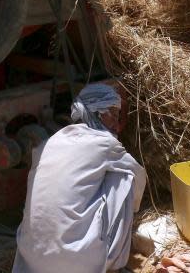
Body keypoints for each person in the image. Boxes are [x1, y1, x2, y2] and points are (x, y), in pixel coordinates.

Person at [13, 84, 147, 273]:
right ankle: (113, 263)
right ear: (100, 114)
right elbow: (140, 176)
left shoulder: (50, 141)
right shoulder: (105, 143)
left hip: (31, 261)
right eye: (114, 116)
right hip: (76, 264)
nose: (117, 125)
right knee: (124, 175)